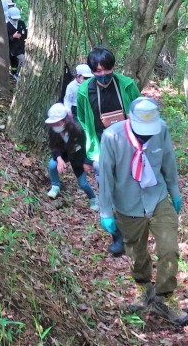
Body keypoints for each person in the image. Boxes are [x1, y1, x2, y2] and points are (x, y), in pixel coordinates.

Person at [97, 97, 188, 326]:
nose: (145, 135)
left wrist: (174, 191)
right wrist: (105, 210)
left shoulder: (162, 130)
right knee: (136, 252)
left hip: (157, 198)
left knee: (169, 250)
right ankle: (143, 288)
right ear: (130, 119)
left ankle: (165, 298)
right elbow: (106, 176)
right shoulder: (112, 136)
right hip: (127, 203)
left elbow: (168, 160)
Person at [76, 47, 140, 255]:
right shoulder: (84, 91)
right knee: (107, 188)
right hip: (101, 148)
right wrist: (88, 152)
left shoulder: (127, 85)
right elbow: (84, 121)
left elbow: (140, 112)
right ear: (92, 70)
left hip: (128, 146)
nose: (103, 75)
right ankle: (118, 237)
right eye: (98, 71)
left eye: (107, 69)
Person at [44, 103, 98, 209]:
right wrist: (59, 159)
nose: (54, 125)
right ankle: (55, 186)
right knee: (52, 165)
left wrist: (87, 162)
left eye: (57, 122)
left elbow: (89, 145)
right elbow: (54, 146)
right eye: (52, 123)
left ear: (65, 120)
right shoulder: (53, 131)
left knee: (83, 184)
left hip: (78, 157)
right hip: (64, 153)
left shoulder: (78, 129)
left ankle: (93, 198)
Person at [6, 7, 27, 79]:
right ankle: (16, 74)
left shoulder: (21, 23)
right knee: (21, 59)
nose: (16, 20)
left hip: (22, 45)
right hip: (13, 48)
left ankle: (18, 73)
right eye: (14, 19)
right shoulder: (7, 26)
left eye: (17, 18)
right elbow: (5, 38)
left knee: (21, 61)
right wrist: (13, 36)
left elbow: (25, 32)